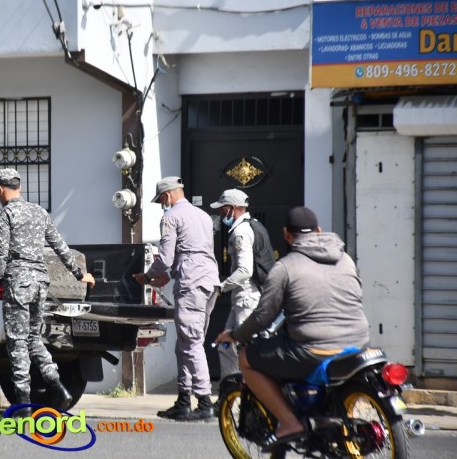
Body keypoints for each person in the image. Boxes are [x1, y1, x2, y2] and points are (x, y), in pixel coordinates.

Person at [215, 206, 370, 449]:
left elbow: (263, 317)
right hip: (359, 344)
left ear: (286, 235)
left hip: (314, 349)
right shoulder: (346, 259)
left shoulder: (285, 268)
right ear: (318, 230)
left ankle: (289, 422)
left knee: (246, 358)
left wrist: (234, 335)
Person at [0, 169, 95, 416]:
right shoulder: (39, 212)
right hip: (40, 283)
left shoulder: (5, 215)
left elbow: (0, 254)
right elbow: (60, 246)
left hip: (19, 283)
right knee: (34, 339)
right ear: (19, 187)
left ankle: (23, 404)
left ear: (1, 189)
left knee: (17, 342)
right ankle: (58, 389)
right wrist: (80, 274)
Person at [133, 177, 220, 421]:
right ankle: (183, 400)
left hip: (191, 284)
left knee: (191, 344)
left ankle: (204, 401)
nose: (162, 204)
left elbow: (166, 258)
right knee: (184, 344)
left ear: (167, 195)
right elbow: (195, 252)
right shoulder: (203, 216)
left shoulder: (171, 217)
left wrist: (148, 276)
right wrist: (169, 276)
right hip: (209, 282)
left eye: (161, 200)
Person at [210, 189, 262, 379]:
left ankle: (253, 392)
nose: (221, 212)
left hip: (246, 300)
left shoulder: (241, 232)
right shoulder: (249, 226)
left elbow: (245, 270)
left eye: (223, 208)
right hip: (240, 300)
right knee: (226, 346)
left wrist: (222, 287)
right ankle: (230, 389)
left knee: (246, 350)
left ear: (232, 208)